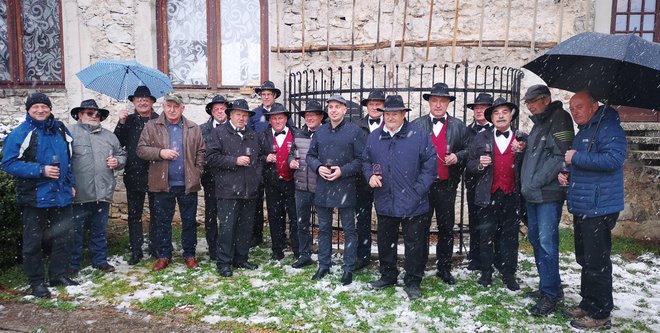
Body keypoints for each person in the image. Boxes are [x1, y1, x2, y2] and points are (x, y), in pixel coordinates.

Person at [559, 91, 626, 330]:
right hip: (584, 204)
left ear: (594, 106)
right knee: (585, 258)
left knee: (597, 261)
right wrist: (567, 173)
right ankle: (588, 303)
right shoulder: (586, 131)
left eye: (579, 107)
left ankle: (600, 313)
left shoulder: (610, 128)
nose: (574, 112)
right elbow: (582, 162)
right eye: (572, 108)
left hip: (600, 206)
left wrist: (577, 157)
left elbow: (614, 160)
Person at [1, 92, 78, 298]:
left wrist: (71, 184)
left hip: (61, 195)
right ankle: (36, 282)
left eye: (44, 106)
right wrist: (40, 170)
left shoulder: (61, 130)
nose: (40, 110)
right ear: (28, 110)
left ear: (50, 108)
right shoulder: (21, 133)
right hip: (34, 197)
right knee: (33, 242)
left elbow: (69, 161)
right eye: (35, 107)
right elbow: (8, 163)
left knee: (64, 237)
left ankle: (58, 275)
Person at [362, 95, 436, 300]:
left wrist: (417, 191)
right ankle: (388, 275)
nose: (391, 117)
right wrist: (369, 176)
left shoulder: (419, 135)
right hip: (385, 198)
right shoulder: (374, 137)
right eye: (388, 113)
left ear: (404, 114)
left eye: (395, 113)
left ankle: (413, 281)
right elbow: (365, 161)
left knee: (414, 244)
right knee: (386, 241)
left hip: (414, 202)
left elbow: (430, 167)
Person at [519, 84, 575, 316]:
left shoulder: (560, 118)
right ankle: (549, 287)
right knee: (536, 240)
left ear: (546, 99)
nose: (530, 106)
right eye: (528, 103)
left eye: (534, 102)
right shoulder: (540, 123)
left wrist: (535, 182)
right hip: (534, 194)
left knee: (546, 244)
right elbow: (538, 155)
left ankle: (550, 295)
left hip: (547, 194)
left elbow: (561, 155)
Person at [136, 93, 205, 271]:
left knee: (189, 221)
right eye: (168, 106)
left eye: (176, 106)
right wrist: (160, 153)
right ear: (163, 107)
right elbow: (141, 150)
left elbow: (201, 152)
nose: (172, 110)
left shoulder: (193, 128)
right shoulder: (152, 126)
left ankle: (189, 254)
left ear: (182, 108)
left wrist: (197, 172)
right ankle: (164, 255)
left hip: (187, 184)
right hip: (162, 183)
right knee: (162, 221)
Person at [411, 82, 468, 285]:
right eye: (434, 100)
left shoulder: (459, 126)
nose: (438, 104)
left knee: (446, 228)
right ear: (429, 103)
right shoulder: (416, 125)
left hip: (446, 185)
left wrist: (457, 157)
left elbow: (468, 150)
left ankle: (444, 267)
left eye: (442, 101)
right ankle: (420, 264)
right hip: (424, 187)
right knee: (421, 227)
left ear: (448, 104)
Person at [466, 97, 525, 291]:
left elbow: (528, 166)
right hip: (488, 194)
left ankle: (508, 273)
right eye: (496, 113)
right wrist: (479, 165)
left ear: (511, 116)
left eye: (504, 112)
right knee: (486, 235)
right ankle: (486, 272)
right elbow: (470, 165)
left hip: (511, 194)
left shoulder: (522, 138)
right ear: (491, 117)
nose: (500, 116)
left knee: (509, 236)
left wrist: (522, 153)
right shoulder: (481, 137)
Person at [306, 94, 366, 285]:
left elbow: (361, 160)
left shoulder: (354, 131)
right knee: (323, 228)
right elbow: (310, 155)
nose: (333, 110)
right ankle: (324, 264)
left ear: (345, 109)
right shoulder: (320, 132)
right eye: (330, 107)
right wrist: (317, 166)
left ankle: (348, 268)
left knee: (349, 229)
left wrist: (343, 170)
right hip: (324, 186)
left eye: (337, 107)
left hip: (345, 185)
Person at [206, 99, 264, 277]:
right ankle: (224, 262)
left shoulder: (252, 134)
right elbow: (211, 157)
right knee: (227, 227)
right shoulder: (219, 133)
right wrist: (234, 161)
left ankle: (241, 258)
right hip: (228, 190)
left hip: (249, 190)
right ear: (230, 115)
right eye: (238, 114)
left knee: (245, 227)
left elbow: (259, 159)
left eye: (245, 115)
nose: (242, 118)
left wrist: (255, 179)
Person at [68, 99, 127, 275]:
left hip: (102, 192)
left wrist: (118, 161)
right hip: (77, 192)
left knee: (99, 230)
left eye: (97, 114)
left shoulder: (109, 136)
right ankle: (73, 264)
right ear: (79, 115)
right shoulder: (69, 133)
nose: (94, 116)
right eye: (89, 113)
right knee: (75, 231)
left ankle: (99, 260)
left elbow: (122, 154)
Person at [114, 85, 159, 265]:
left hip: (156, 172)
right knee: (135, 214)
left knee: (157, 212)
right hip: (134, 172)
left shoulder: (158, 120)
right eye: (138, 99)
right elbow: (117, 142)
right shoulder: (128, 120)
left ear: (152, 102)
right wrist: (121, 122)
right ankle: (136, 249)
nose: (142, 101)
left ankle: (155, 246)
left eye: (145, 99)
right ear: (133, 102)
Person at [288, 101, 326, 269]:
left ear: (321, 117)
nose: (309, 118)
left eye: (313, 115)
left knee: (324, 225)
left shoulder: (327, 134)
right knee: (301, 223)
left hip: (321, 186)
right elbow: (291, 154)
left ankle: (325, 257)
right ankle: (304, 254)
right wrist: (291, 162)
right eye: (307, 116)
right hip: (301, 186)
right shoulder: (298, 134)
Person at [259, 103, 299, 261]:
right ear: (269, 120)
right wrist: (265, 158)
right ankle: (278, 248)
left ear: (286, 119)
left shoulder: (296, 134)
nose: (277, 121)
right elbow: (256, 156)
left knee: (295, 216)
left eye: (280, 118)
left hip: (292, 182)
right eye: (274, 118)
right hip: (272, 183)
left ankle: (297, 248)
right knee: (275, 216)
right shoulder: (263, 135)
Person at [354, 89, 386, 270]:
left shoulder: (390, 124)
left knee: (385, 219)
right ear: (366, 106)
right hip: (362, 179)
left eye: (378, 104)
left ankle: (385, 257)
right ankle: (363, 255)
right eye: (371, 104)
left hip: (385, 180)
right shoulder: (357, 125)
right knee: (363, 219)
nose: (374, 107)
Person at [249, 80, 282, 247]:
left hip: (275, 163)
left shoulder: (280, 112)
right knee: (256, 200)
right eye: (263, 94)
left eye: (269, 94)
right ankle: (256, 234)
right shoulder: (254, 114)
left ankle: (279, 236)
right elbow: (248, 134)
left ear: (274, 96)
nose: (266, 97)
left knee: (275, 201)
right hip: (258, 160)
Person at [463, 93, 494, 271]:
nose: (479, 110)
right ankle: (475, 257)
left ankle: (492, 257)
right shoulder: (468, 131)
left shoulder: (497, 129)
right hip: (474, 181)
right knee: (475, 221)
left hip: (492, 182)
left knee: (492, 223)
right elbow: (465, 154)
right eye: (476, 107)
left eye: (483, 107)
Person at [200, 95, 231, 260]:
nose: (220, 112)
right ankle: (213, 247)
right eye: (216, 109)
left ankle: (227, 246)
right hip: (210, 178)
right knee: (211, 213)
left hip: (231, 178)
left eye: (222, 108)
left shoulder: (235, 128)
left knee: (228, 215)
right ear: (211, 112)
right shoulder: (202, 130)